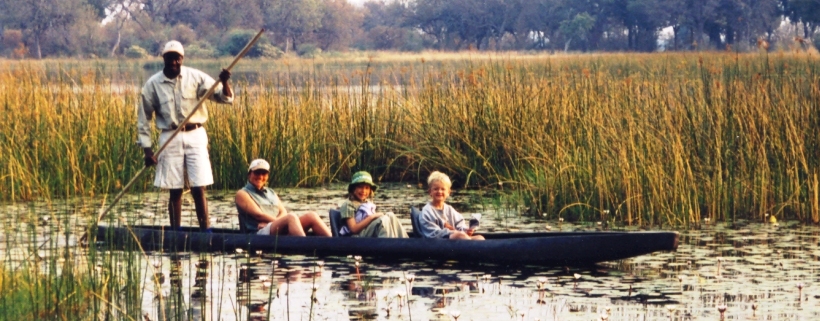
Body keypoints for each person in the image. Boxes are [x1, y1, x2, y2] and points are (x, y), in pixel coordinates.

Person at [137, 40, 234, 231]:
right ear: (163, 58)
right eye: (170, 58)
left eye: (177, 58)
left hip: (195, 134)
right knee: (175, 189)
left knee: (199, 187)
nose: (173, 62)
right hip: (169, 137)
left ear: (182, 59)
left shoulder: (196, 77)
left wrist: (224, 82)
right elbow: (144, 120)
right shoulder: (152, 85)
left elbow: (225, 98)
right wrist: (148, 151)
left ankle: (205, 231)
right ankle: (175, 233)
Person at [235, 159, 331, 236]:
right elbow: (259, 215)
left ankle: (333, 243)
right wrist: (281, 222)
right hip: (258, 233)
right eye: (257, 173)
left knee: (312, 215)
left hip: (274, 227)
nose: (260, 176)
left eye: (263, 173)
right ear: (249, 174)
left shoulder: (271, 192)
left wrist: (281, 223)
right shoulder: (242, 193)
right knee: (291, 217)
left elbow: (283, 212)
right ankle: (304, 247)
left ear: (267, 176)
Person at [338, 171, 408, 238]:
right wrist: (372, 217)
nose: (363, 191)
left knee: (390, 215)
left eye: (367, 188)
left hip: (367, 232)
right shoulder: (348, 205)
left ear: (370, 190)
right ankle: (389, 246)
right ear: (353, 189)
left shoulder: (367, 203)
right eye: (360, 187)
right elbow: (354, 229)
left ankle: (406, 243)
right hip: (356, 238)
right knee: (383, 220)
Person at [418, 171, 484, 240]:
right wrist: (452, 231)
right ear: (430, 192)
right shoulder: (426, 212)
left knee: (480, 238)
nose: (439, 191)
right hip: (438, 242)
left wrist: (466, 230)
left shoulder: (449, 209)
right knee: (460, 235)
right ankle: (470, 247)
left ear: (448, 192)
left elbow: (460, 224)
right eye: (436, 189)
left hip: (455, 237)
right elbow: (433, 233)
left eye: (443, 189)